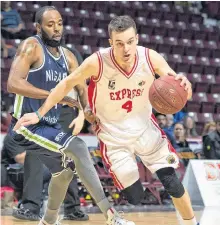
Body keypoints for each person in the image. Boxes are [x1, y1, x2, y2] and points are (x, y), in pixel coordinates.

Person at [14, 15, 199, 225]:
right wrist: (39, 113)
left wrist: (186, 84)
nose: (126, 49)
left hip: (146, 131)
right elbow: (65, 85)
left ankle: (192, 222)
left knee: (172, 182)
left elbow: (181, 90)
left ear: (137, 39)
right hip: (114, 138)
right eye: (119, 44)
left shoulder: (150, 57)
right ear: (111, 43)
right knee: (135, 197)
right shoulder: (98, 61)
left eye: (130, 42)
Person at [7, 6, 134, 225]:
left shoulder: (68, 57)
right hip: (25, 126)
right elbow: (13, 84)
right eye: (50, 25)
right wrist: (55, 96)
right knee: (78, 147)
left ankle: (47, 220)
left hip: (49, 127)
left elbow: (83, 91)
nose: (56, 29)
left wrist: (88, 112)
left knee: (65, 172)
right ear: (38, 27)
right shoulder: (31, 46)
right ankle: (111, 215)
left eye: (59, 23)